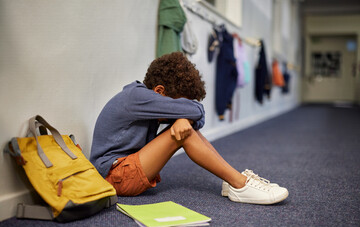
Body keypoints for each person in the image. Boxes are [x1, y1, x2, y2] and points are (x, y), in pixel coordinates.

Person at [90, 52, 288, 205]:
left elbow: (196, 116)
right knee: (182, 134)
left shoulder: (147, 101)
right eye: (177, 105)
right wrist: (185, 117)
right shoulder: (137, 97)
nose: (177, 112)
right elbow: (197, 111)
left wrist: (183, 119)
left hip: (124, 169)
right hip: (113, 176)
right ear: (159, 91)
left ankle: (234, 181)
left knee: (186, 129)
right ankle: (239, 184)